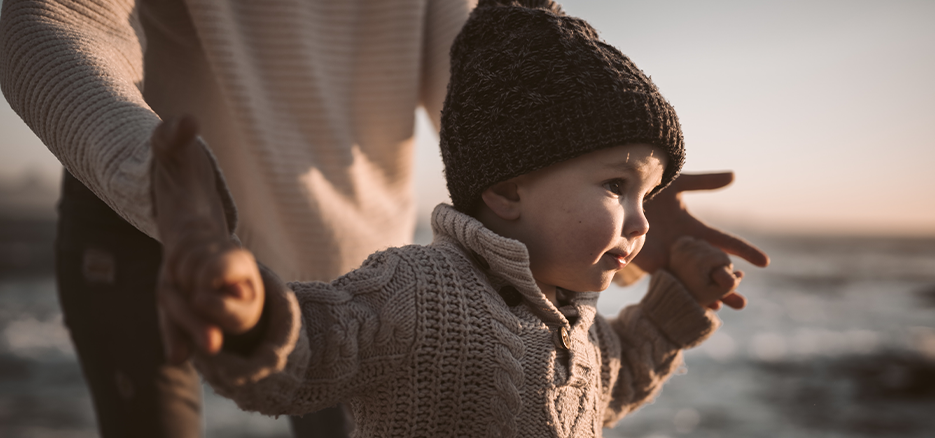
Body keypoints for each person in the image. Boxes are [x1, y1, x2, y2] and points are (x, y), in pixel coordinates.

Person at [152, 2, 760, 436]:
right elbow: (312, 351)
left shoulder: (575, 322)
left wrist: (680, 299)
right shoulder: (419, 291)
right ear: (504, 190)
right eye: (615, 186)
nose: (641, 222)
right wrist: (252, 313)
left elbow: (614, 381)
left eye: (645, 197)